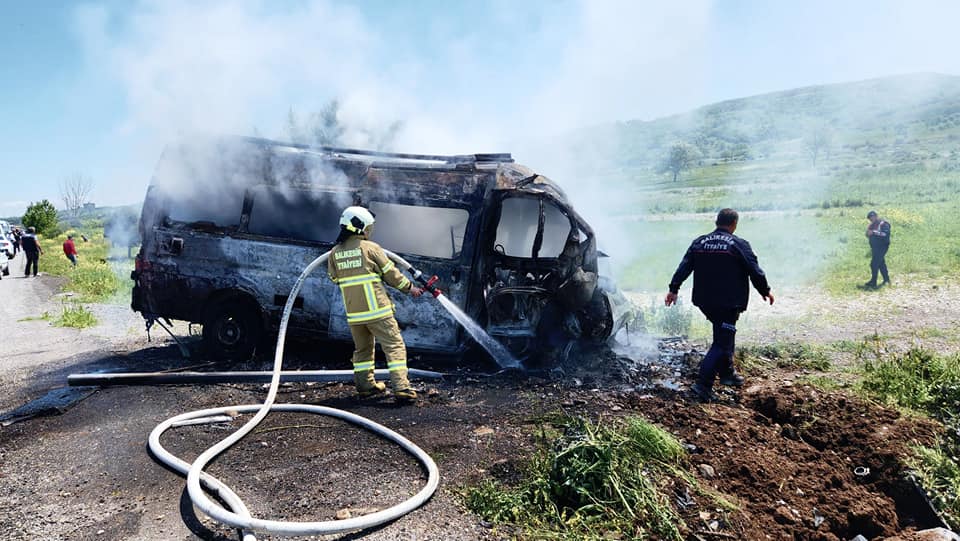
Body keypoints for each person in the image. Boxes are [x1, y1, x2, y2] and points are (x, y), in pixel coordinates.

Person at [665, 208, 774, 402]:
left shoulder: (699, 242)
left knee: (723, 333)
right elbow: (754, 270)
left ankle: (727, 374)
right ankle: (702, 385)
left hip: (705, 301)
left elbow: (684, 266)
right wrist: (765, 290)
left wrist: (673, 289)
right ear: (734, 224)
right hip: (729, 302)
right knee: (722, 341)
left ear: (717, 222)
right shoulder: (738, 244)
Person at [328, 206, 425, 403]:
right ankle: (402, 388)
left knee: (362, 349)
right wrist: (410, 288)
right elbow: (392, 275)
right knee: (394, 346)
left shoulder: (334, 253)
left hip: (355, 315)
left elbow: (334, 278)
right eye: (368, 227)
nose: (369, 231)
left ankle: (366, 386)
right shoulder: (371, 248)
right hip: (378, 311)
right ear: (361, 227)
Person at [863, 210, 891, 289]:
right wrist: (868, 234)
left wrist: (873, 232)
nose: (871, 219)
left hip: (882, 246)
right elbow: (869, 234)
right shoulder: (872, 225)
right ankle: (886, 280)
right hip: (875, 248)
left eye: (872, 217)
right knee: (881, 263)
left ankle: (873, 282)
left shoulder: (884, 224)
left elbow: (885, 234)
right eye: (870, 218)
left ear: (876, 216)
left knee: (874, 264)